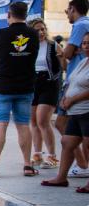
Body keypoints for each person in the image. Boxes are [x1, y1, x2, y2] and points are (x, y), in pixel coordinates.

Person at [0, 1, 40, 178]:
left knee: (0, 123)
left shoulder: (1, 34)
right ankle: (28, 165)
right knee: (23, 124)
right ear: (26, 15)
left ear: (9, 14)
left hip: (2, 86)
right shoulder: (33, 34)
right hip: (25, 86)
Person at [42, 32, 89, 191]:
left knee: (88, 145)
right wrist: (65, 98)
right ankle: (61, 178)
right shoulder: (83, 62)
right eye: (84, 43)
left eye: (88, 43)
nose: (86, 46)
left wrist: (73, 99)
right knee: (67, 142)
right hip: (75, 112)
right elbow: (72, 80)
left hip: (86, 110)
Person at [57, 0, 89, 178]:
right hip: (75, 86)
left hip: (78, 94)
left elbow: (67, 55)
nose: (84, 46)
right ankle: (66, 174)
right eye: (83, 44)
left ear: (73, 9)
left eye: (67, 10)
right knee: (71, 136)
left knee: (64, 125)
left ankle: (83, 165)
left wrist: (62, 52)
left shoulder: (79, 25)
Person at [28, 19, 64, 169]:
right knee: (34, 121)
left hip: (49, 83)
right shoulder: (28, 46)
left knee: (43, 120)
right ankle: (37, 153)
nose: (41, 32)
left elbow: (63, 67)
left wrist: (62, 56)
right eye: (37, 30)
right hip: (32, 83)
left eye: (43, 29)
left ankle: (52, 156)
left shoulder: (53, 46)